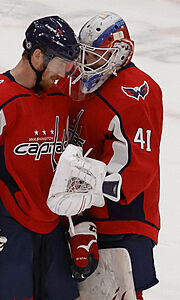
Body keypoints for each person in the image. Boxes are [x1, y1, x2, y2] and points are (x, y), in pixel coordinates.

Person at [0, 16, 81, 299]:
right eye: (61, 63)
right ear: (37, 55)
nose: (66, 73)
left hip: (53, 225)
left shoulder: (60, 95)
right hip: (7, 229)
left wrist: (80, 223)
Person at [56, 11, 162, 299]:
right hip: (82, 214)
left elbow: (135, 169)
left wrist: (78, 190)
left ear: (120, 52)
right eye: (85, 55)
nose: (86, 63)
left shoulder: (137, 91)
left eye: (95, 56)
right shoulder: (77, 82)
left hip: (124, 218)